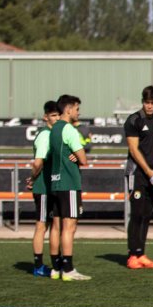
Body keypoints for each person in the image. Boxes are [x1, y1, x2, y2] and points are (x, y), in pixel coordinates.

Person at [123, 85, 153, 270]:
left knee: (148, 214)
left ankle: (141, 253)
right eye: (147, 102)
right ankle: (133, 255)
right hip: (137, 174)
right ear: (142, 102)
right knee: (137, 213)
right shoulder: (134, 120)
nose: (149, 106)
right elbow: (133, 149)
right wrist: (148, 172)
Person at [47, 94, 90, 281]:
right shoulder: (70, 130)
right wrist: (76, 154)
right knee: (69, 227)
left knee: (56, 226)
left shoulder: (54, 129)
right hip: (69, 182)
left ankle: (56, 268)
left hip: (55, 182)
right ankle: (69, 269)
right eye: (77, 109)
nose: (78, 112)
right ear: (68, 109)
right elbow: (83, 159)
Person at [25, 101, 60, 277]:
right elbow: (38, 162)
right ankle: (38, 265)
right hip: (44, 188)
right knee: (41, 226)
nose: (56, 118)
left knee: (51, 225)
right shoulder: (45, 135)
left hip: (50, 187)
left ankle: (54, 262)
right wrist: (33, 178)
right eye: (53, 115)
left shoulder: (53, 133)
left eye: (58, 115)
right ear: (45, 116)